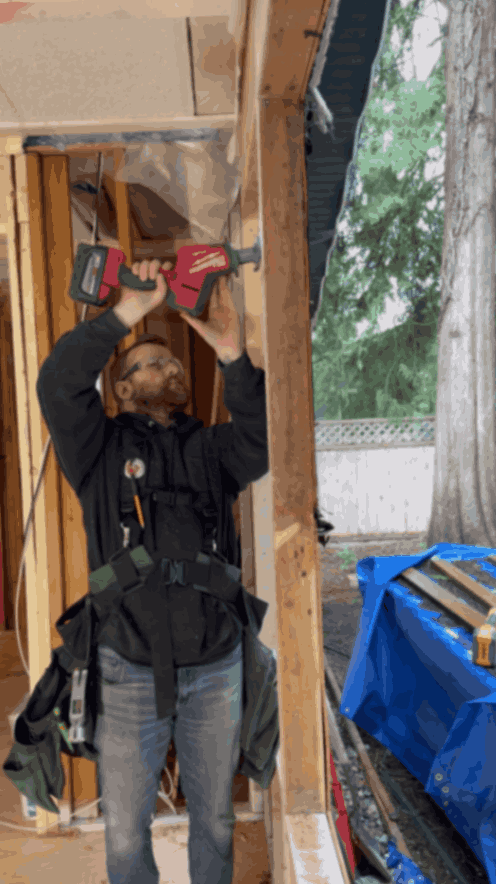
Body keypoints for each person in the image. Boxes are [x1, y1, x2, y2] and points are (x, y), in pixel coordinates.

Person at [35, 257, 270, 884]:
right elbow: (58, 383)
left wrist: (232, 355)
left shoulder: (214, 450)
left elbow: (264, 438)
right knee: (124, 833)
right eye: (145, 363)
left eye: (170, 362)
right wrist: (127, 312)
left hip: (215, 665)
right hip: (126, 666)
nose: (163, 367)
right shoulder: (96, 450)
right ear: (119, 388)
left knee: (215, 822)